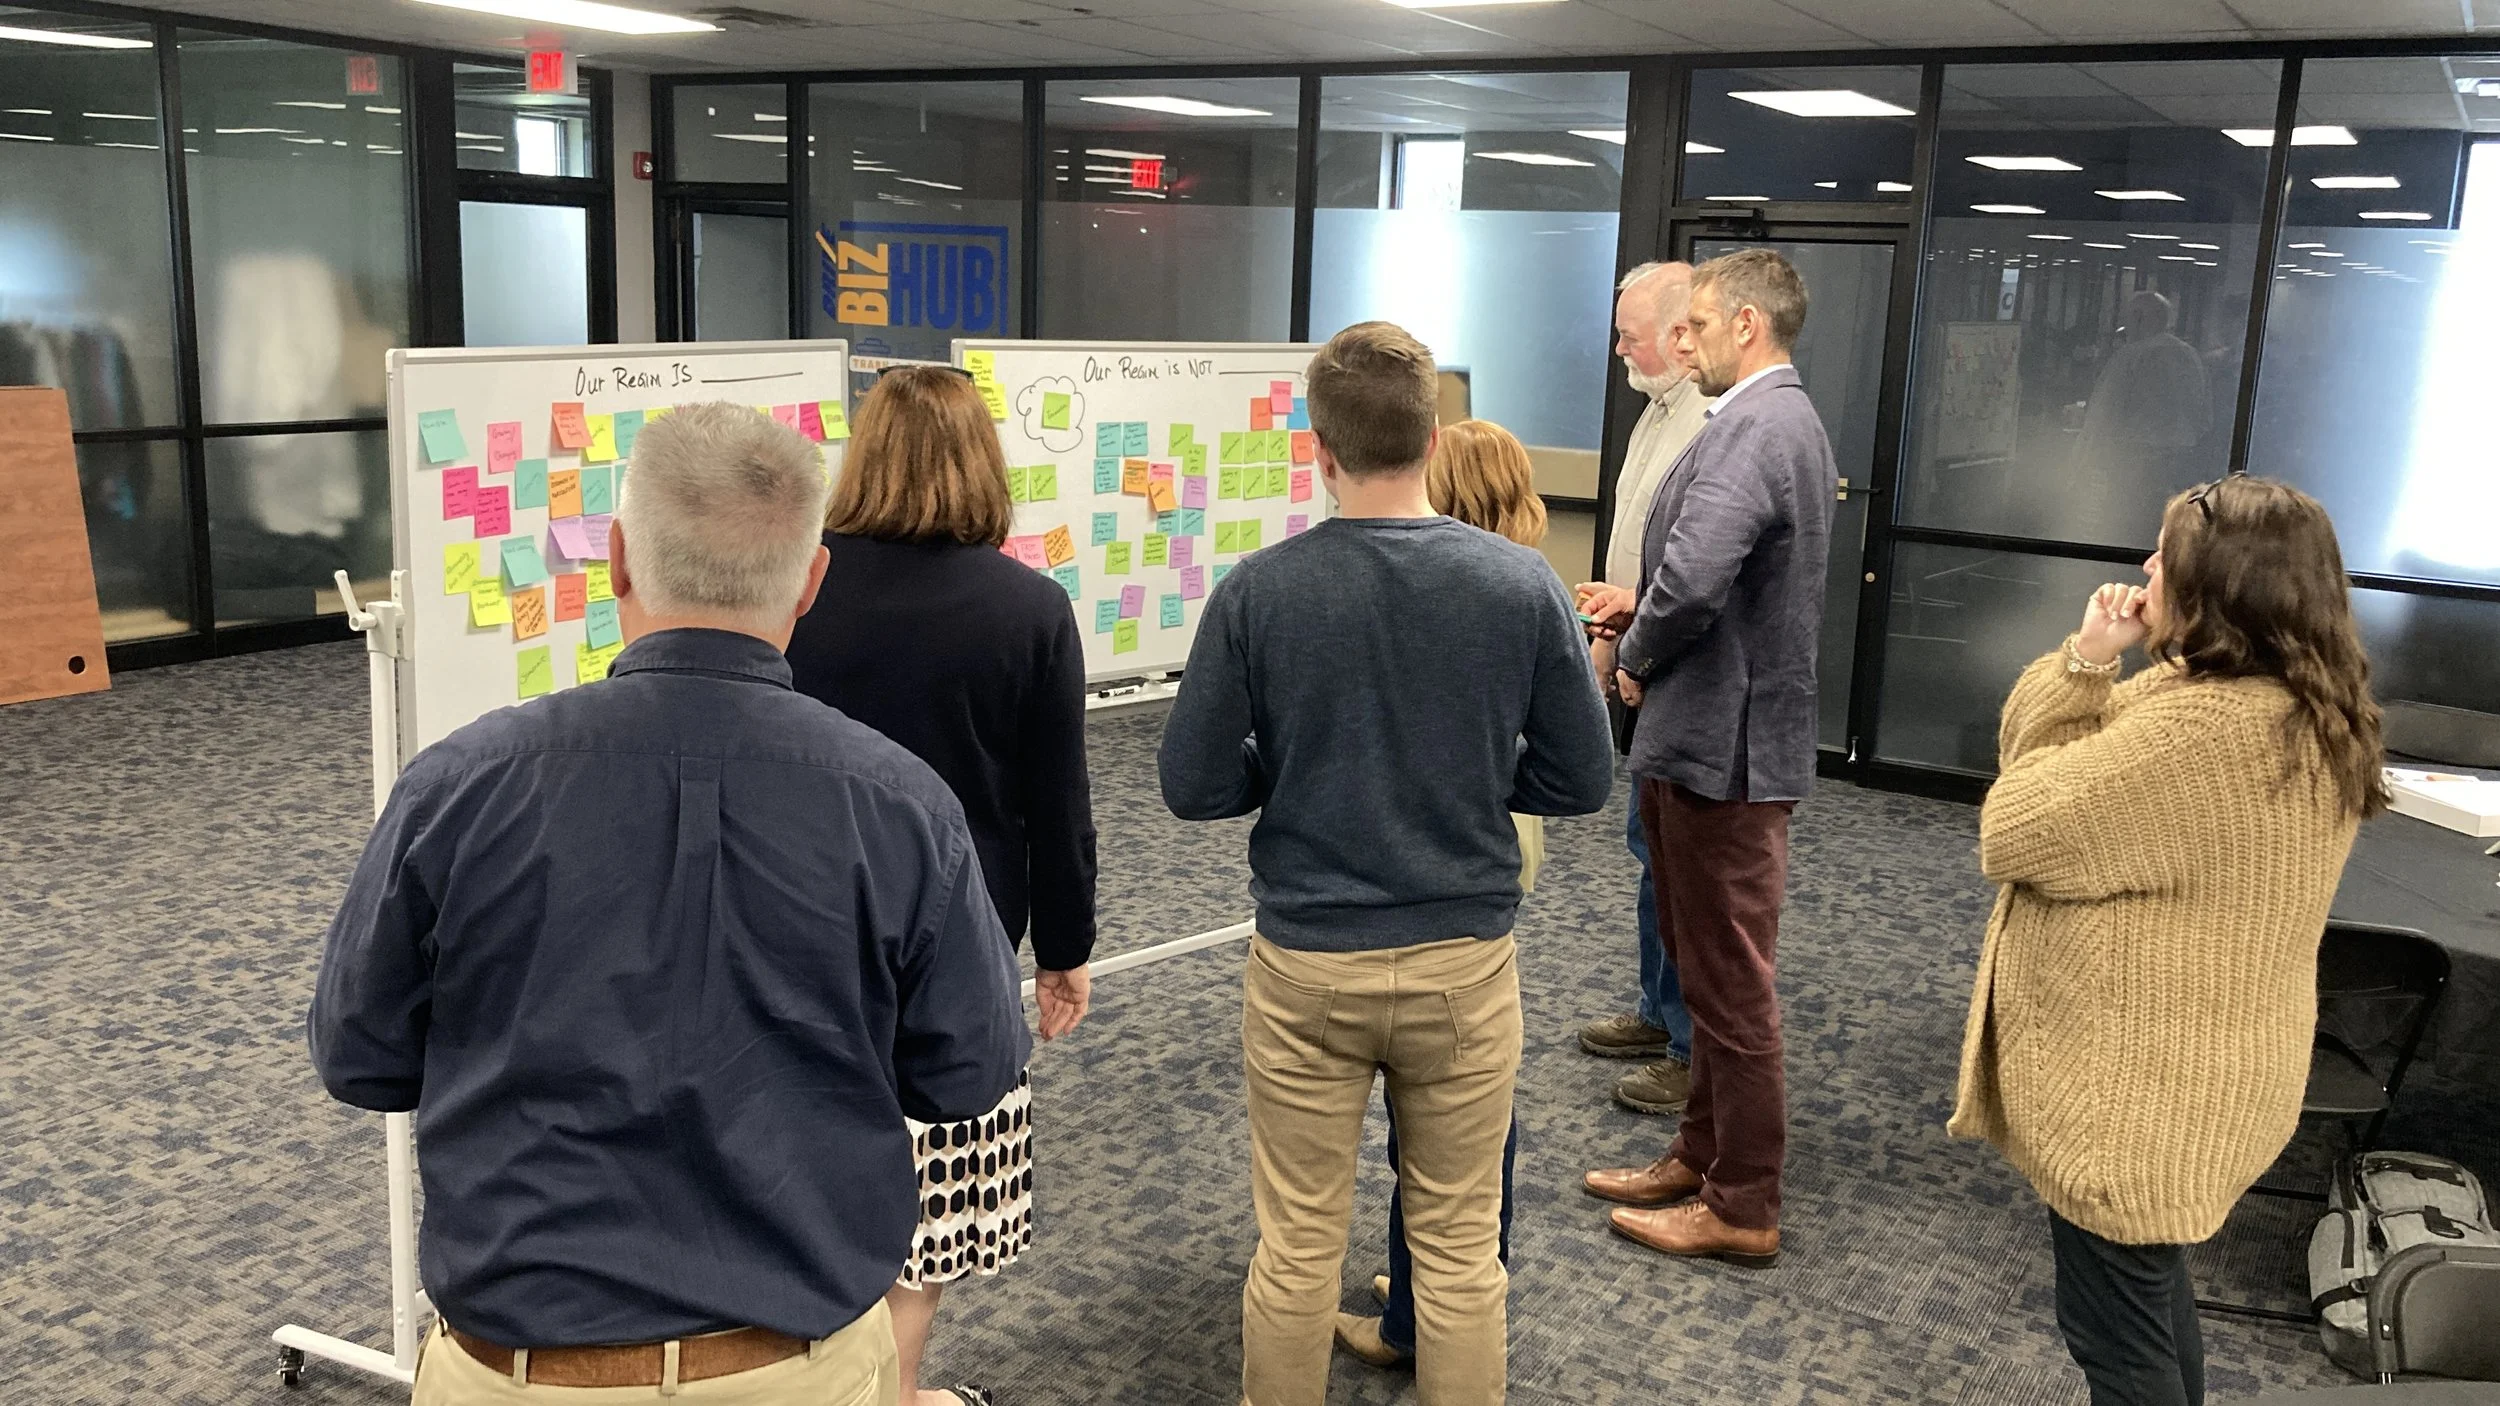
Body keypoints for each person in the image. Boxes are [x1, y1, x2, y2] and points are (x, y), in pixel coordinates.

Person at [308, 402, 1030, 1406]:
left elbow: (361, 1054)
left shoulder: (458, 787)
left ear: (613, 561)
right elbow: (967, 1070)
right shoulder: (903, 806)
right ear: (812, 577)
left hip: (517, 1374)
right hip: (803, 1369)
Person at [1159, 323, 1615, 1406]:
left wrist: (1289, 765)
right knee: (1460, 1252)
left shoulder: (1258, 591)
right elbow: (1581, 776)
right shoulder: (1521, 584)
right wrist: (1465, 773)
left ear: (1319, 445)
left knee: (1296, 1248)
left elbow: (1191, 785)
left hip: (1307, 963)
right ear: (1434, 436)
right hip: (1464, 962)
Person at [1951, 476, 2386, 1406]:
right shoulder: (2299, 703)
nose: (2145, 568)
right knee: (2149, 1300)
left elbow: (2013, 824)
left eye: (2165, 556)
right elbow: (2041, 765)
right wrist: (2087, 661)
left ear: (2219, 588)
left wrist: (2086, 673)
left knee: (2118, 1338)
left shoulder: (2197, 733)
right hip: (2212, 1074)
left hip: (2136, 1103)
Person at [784, 365, 1098, 1406]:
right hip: (954, 937)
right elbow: (1056, 802)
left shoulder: (797, 587)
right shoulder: (1029, 607)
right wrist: (1064, 950)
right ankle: (896, 1388)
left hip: (795, 926)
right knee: (924, 1184)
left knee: (803, 1159)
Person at [1578, 248, 1836, 1268]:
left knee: (1730, 985)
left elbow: (1691, 584)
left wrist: (1635, 654)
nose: (1678, 346)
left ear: (1746, 325)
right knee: (1706, 965)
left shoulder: (1757, 425)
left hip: (1720, 749)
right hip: (1721, 735)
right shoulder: (1780, 423)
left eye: (1695, 327)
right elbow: (1722, 585)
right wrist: (1648, 614)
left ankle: (1741, 1199)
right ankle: (1698, 1152)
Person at [1331, 418, 1545, 1372]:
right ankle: (1418, 1288)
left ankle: (1418, 1317)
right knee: (1465, 1129)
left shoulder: (1456, 598)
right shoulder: (1521, 590)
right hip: (1485, 892)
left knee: (1450, 1145)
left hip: (1427, 901)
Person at [1579, 260, 1713, 1117]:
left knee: (1682, 865)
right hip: (1638, 648)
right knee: (1650, 851)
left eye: (1632, 334)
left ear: (1678, 333)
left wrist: (1634, 652)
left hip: (1673, 665)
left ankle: (1690, 1046)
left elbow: (1693, 574)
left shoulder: (1713, 422)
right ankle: (1659, 1010)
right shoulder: (1655, 412)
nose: (1621, 348)